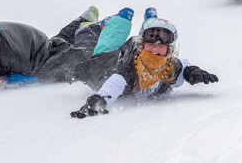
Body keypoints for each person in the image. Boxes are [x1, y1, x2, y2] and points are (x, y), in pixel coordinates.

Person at [71, 10, 218, 118]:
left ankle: (150, 20)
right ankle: (104, 24)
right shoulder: (128, 67)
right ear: (143, 43)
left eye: (162, 44)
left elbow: (182, 66)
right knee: (102, 50)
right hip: (106, 66)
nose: (155, 47)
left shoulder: (169, 67)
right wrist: (100, 100)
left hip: (132, 51)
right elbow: (116, 83)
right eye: (151, 39)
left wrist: (192, 72)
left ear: (169, 49)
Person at [0, 7, 106, 91]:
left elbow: (33, 78)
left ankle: (89, 29)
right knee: (56, 44)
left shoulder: (10, 55)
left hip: (37, 55)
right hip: (30, 44)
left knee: (79, 61)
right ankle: (82, 20)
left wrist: (0, 81)